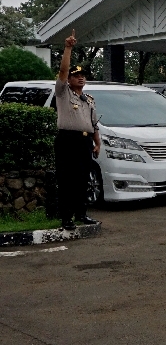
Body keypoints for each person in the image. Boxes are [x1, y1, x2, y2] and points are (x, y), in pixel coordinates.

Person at [55, 29, 101, 231]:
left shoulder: (88, 99)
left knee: (83, 179)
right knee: (67, 180)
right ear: (70, 79)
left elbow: (93, 124)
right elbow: (63, 71)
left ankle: (81, 214)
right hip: (67, 140)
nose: (80, 78)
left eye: (83, 75)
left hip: (84, 142)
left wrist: (97, 142)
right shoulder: (63, 92)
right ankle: (66, 218)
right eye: (76, 76)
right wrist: (68, 48)